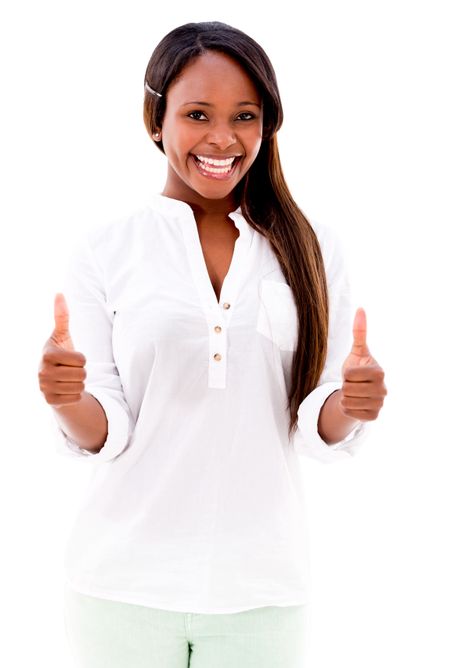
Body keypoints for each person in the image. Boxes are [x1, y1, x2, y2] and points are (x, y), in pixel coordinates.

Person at [37, 20, 387, 668]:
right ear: (156, 119)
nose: (223, 139)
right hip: (119, 590)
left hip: (263, 597)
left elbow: (316, 420)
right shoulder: (106, 250)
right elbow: (107, 427)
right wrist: (68, 399)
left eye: (245, 117)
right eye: (198, 114)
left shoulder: (312, 250)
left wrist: (351, 404)